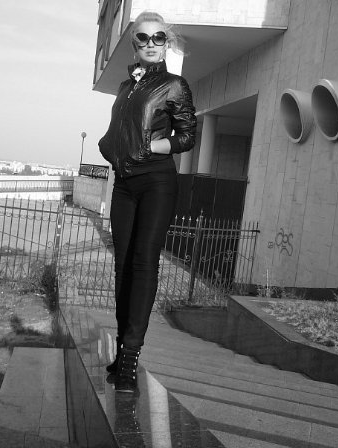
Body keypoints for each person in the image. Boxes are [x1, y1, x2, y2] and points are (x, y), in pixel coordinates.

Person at [98, 11, 197, 393]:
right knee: (123, 266)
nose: (151, 44)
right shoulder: (127, 86)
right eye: (144, 38)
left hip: (157, 181)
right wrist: (109, 147)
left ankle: (130, 358)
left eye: (159, 37)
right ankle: (122, 348)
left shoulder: (174, 85)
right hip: (124, 184)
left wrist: (150, 147)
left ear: (166, 43)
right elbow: (118, 132)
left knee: (143, 263)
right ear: (134, 43)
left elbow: (186, 136)